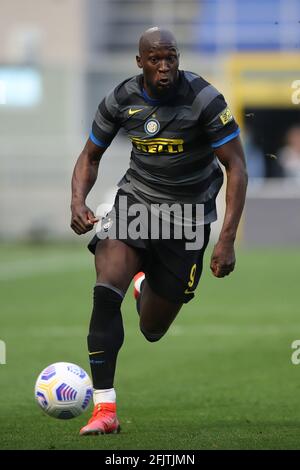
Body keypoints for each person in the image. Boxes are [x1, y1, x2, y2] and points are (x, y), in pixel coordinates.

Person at [70, 27, 248, 435]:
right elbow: (90, 155)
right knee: (104, 290)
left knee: (152, 329)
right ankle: (105, 410)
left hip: (187, 219)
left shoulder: (205, 100)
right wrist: (78, 201)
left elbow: (236, 167)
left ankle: (144, 285)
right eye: (155, 59)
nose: (164, 67)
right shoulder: (121, 99)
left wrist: (226, 238)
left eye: (171, 58)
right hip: (135, 205)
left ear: (178, 58)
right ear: (140, 62)